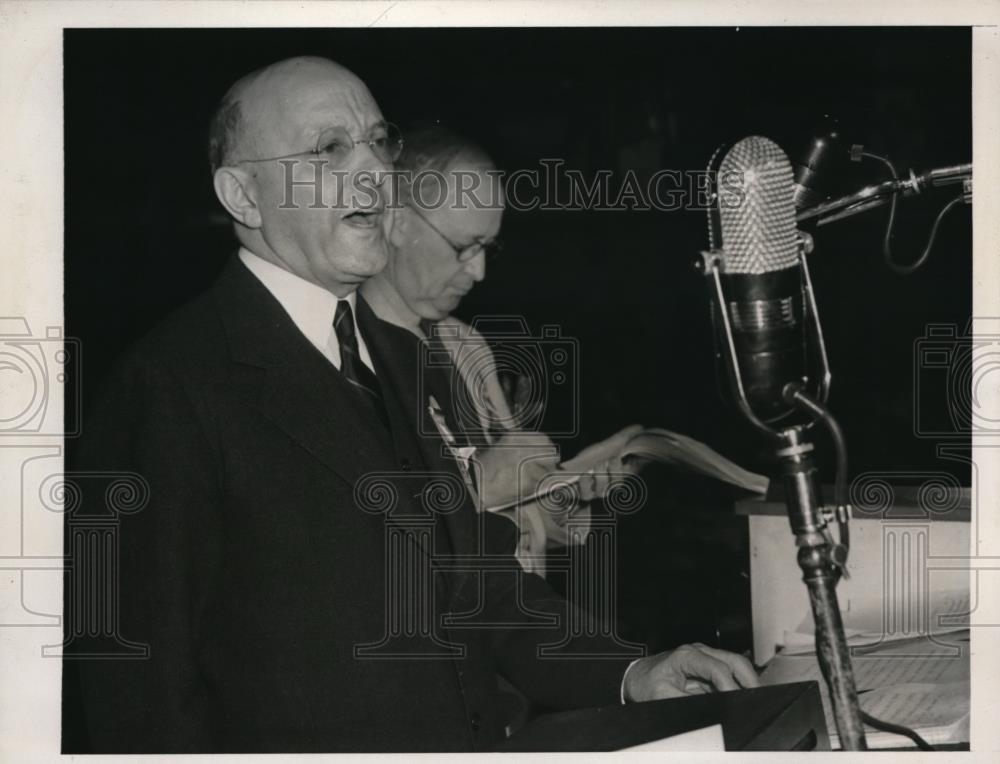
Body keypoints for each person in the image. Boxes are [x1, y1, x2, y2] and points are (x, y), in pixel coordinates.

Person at [65, 56, 759, 754]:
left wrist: (632, 674)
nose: (372, 171)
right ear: (244, 196)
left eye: (378, 141)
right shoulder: (168, 386)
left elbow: (477, 588)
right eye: (331, 149)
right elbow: (140, 688)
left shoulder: (393, 356)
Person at [361, 126, 642, 576]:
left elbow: (517, 527)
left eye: (488, 247)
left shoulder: (466, 345)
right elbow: (363, 544)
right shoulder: (348, 356)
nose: (479, 271)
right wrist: (478, 485)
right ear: (396, 220)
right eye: (464, 247)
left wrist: (566, 490)